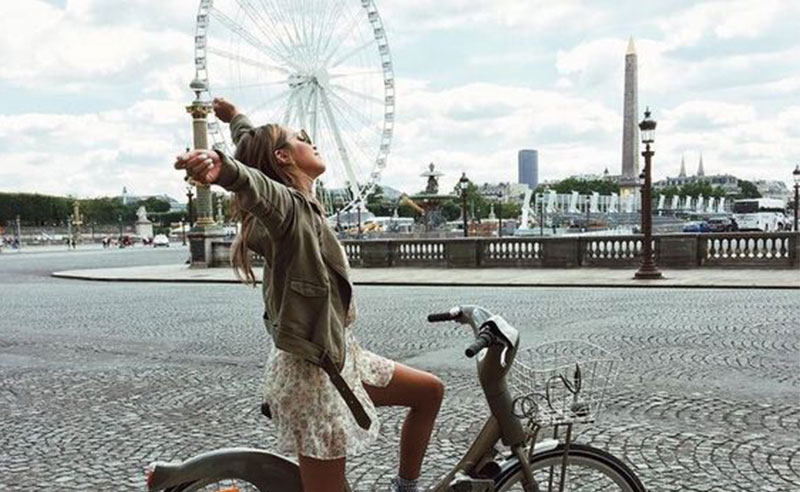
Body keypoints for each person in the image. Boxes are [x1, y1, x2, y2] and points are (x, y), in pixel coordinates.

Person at [174, 97, 444, 492]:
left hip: (341, 356)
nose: (311, 140)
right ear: (284, 157)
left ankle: (406, 486)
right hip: (312, 377)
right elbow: (256, 184)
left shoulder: (300, 204)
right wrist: (226, 169)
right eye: (300, 138)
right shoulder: (289, 210)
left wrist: (236, 119)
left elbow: (257, 155)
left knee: (429, 391)